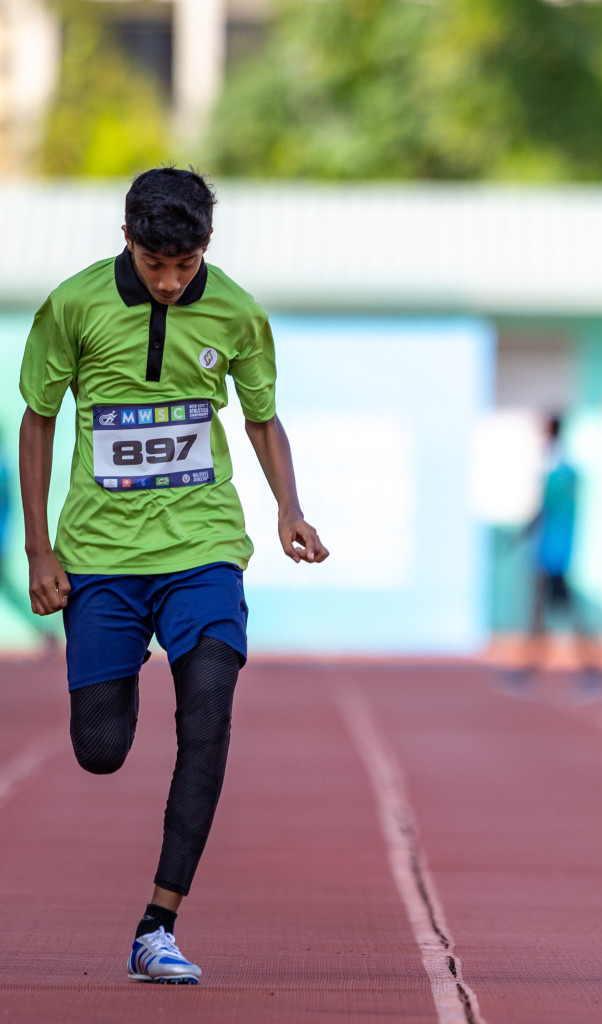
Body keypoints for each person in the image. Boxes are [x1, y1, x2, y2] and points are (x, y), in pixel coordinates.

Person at [17, 167, 328, 983]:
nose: (168, 281)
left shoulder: (237, 312)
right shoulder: (73, 307)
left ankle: (159, 923)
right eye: (155, 264)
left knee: (210, 714)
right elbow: (39, 419)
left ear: (205, 250)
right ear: (127, 240)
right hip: (103, 560)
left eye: (184, 267)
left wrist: (288, 509)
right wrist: (39, 549)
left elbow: (261, 420)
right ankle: (120, 663)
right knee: (101, 749)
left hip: (203, 549)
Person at [499, 413, 602, 698]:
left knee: (561, 611)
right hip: (555, 550)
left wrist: (521, 535)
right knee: (544, 611)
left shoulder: (557, 469)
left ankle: (591, 670)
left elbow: (544, 510)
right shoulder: (565, 468)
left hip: (552, 553)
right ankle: (533, 666)